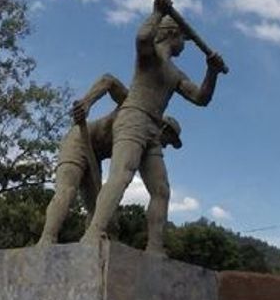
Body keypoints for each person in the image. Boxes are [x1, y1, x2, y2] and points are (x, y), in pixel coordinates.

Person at [81, 0, 225, 254]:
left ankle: (155, 246)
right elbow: (141, 37)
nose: (185, 46)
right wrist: (157, 12)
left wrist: (211, 72)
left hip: (153, 128)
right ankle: (94, 232)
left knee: (161, 190)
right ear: (174, 35)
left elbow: (201, 98)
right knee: (122, 174)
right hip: (133, 117)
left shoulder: (175, 73)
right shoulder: (150, 57)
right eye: (184, 39)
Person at [38, 74, 183, 246]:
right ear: (163, 128)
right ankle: (47, 239)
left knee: (96, 207)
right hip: (78, 140)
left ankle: (92, 246)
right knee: (67, 190)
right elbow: (108, 80)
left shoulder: (147, 143)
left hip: (95, 155)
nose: (166, 146)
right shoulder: (133, 107)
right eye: (168, 140)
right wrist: (86, 103)